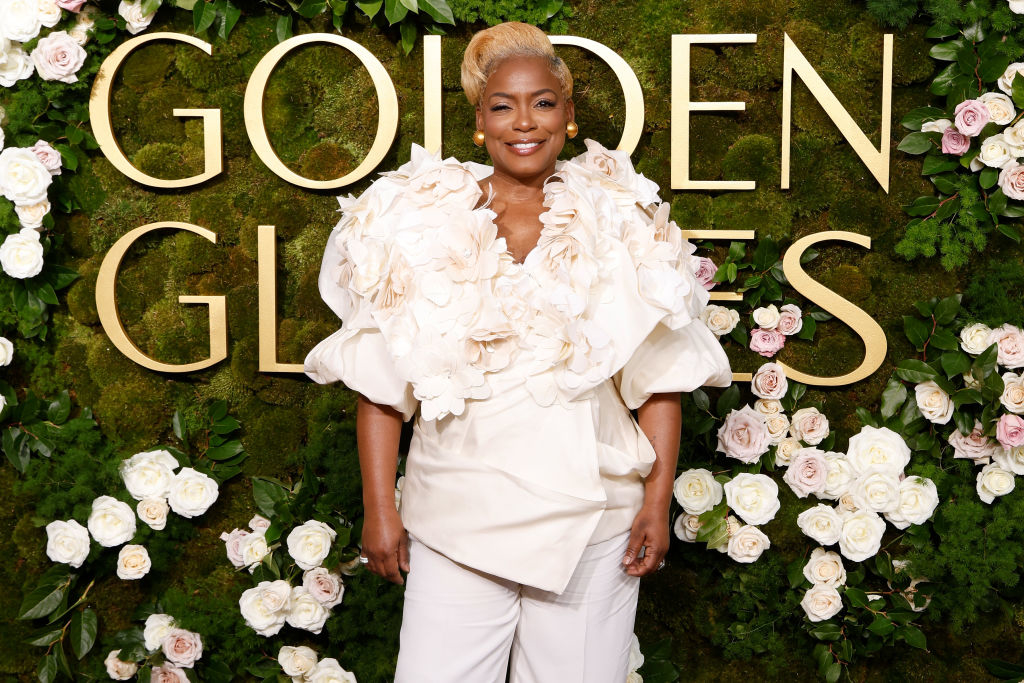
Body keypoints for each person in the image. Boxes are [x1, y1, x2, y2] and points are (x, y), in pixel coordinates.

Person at [304, 21, 731, 682]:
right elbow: (380, 386)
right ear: (479, 120)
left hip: (595, 520)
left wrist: (656, 499)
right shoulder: (413, 219)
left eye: (542, 102)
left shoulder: (621, 219)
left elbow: (660, 378)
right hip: (456, 516)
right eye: (503, 105)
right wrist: (379, 508)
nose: (523, 121)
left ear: (567, 113)